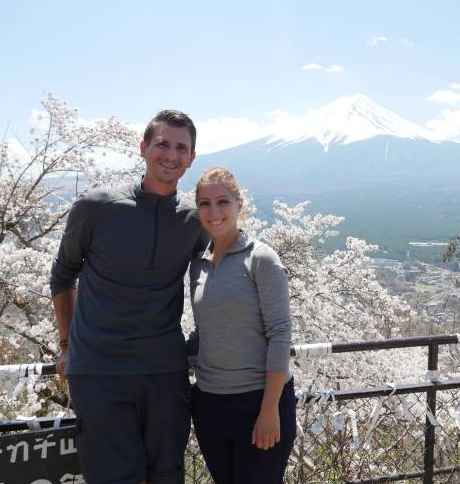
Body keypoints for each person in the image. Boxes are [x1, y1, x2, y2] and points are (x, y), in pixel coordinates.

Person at [50, 110, 207, 484]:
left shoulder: (195, 219)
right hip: (99, 370)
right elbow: (62, 274)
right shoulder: (96, 206)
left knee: (166, 476)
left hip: (165, 372)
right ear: (143, 148)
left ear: (191, 158)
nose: (171, 155)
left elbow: (215, 280)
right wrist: (66, 344)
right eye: (162, 144)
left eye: (181, 148)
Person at [189, 166, 295, 484]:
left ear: (239, 204)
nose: (214, 212)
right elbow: (205, 331)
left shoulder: (261, 259)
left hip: (258, 401)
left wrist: (269, 410)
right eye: (205, 204)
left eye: (222, 201)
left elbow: (280, 334)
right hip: (209, 404)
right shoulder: (198, 265)